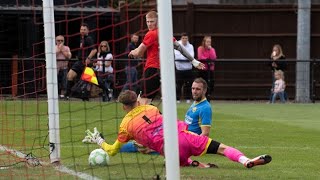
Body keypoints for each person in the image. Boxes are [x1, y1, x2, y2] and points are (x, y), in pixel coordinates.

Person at [83, 90, 272, 168]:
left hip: (169, 151)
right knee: (222, 149)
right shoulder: (151, 107)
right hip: (184, 136)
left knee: (180, 162)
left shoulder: (125, 125)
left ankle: (197, 165)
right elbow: (148, 116)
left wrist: (100, 141)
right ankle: (246, 160)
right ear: (137, 100)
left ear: (124, 106)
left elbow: (113, 151)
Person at [128, 11, 205, 105]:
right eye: (147, 21)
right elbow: (180, 48)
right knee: (144, 103)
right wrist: (193, 61)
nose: (149, 24)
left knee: (142, 103)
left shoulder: (151, 34)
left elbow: (139, 53)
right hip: (163, 71)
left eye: (152, 21)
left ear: (157, 21)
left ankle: (162, 119)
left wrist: (133, 52)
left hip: (151, 70)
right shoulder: (165, 34)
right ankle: (160, 118)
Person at [65, 23, 97, 99]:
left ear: (88, 30)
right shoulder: (81, 39)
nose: (82, 31)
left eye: (84, 29)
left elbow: (94, 50)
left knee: (91, 80)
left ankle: (107, 91)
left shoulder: (88, 39)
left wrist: (88, 58)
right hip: (79, 61)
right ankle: (68, 94)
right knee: (70, 75)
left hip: (85, 62)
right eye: (81, 29)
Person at [174, 33, 194, 103]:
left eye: (186, 38)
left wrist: (186, 57)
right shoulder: (177, 44)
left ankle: (188, 99)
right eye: (183, 38)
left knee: (188, 85)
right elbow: (177, 56)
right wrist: (187, 57)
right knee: (178, 85)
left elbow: (191, 56)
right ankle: (177, 99)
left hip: (188, 69)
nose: (185, 40)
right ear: (181, 38)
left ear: (187, 39)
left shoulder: (191, 46)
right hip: (179, 69)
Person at [197, 36, 217, 101]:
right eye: (207, 42)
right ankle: (201, 98)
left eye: (210, 42)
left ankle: (208, 97)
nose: (209, 43)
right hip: (203, 70)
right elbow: (200, 57)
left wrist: (210, 50)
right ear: (204, 42)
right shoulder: (200, 48)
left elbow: (214, 57)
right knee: (202, 84)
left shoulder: (212, 49)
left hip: (210, 70)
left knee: (211, 84)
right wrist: (207, 59)